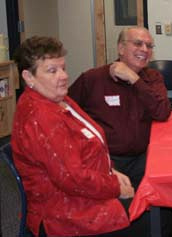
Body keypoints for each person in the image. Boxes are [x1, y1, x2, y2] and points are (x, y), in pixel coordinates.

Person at [10, 36, 148, 236]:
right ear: (28, 77)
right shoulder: (39, 116)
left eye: (63, 68)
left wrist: (110, 171)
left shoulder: (59, 99)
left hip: (84, 192)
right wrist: (114, 186)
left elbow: (85, 151)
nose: (63, 76)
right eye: (52, 71)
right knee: (152, 218)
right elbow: (72, 178)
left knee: (148, 206)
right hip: (63, 212)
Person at [68, 26, 172, 191]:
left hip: (144, 158)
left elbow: (162, 112)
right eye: (138, 44)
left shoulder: (153, 78)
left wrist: (134, 79)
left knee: (163, 196)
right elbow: (66, 114)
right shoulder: (93, 79)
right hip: (106, 161)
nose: (145, 50)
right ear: (121, 48)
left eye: (149, 46)